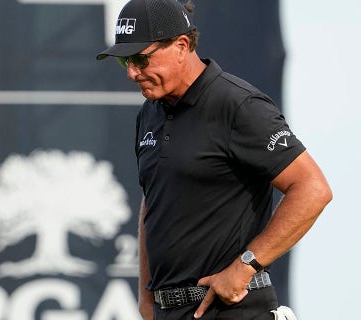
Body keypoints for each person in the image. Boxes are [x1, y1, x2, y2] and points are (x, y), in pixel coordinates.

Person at [96, 0, 332, 319]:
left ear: (181, 45)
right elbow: (153, 201)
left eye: (141, 58)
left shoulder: (237, 105)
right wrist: (146, 294)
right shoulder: (149, 113)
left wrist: (245, 265)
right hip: (171, 311)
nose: (133, 73)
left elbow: (312, 188)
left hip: (232, 308)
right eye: (125, 61)